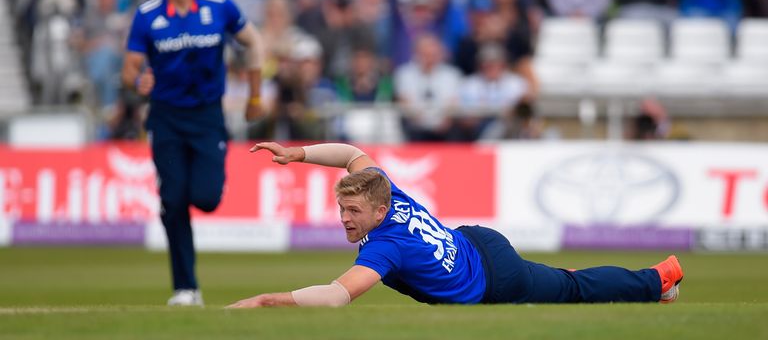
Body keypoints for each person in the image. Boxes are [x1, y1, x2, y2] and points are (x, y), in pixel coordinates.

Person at [228, 141, 685, 308]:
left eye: (353, 212)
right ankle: (648, 284)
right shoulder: (384, 189)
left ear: (378, 211)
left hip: (494, 279)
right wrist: (299, 154)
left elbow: (336, 296)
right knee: (563, 282)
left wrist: (270, 300)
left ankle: (658, 280)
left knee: (571, 289)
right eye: (342, 210)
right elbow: (350, 154)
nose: (345, 219)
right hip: (476, 242)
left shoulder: (384, 247)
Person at [121, 0, 264, 306]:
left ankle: (188, 283)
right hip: (166, 118)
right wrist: (140, 81)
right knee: (173, 200)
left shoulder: (218, 5)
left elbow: (254, 42)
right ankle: (186, 288)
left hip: (206, 116)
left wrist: (254, 95)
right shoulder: (148, 14)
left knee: (205, 197)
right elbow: (130, 68)